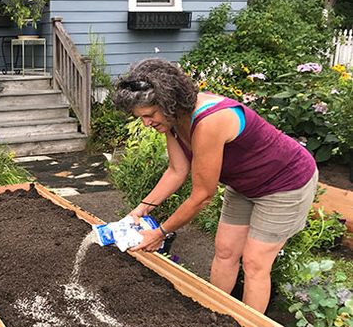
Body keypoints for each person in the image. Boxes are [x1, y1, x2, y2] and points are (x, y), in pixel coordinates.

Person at [113, 58, 318, 313]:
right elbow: (177, 171)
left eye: (149, 115)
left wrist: (160, 232)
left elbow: (202, 196)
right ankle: (215, 315)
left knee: (255, 262)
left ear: (169, 102)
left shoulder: (210, 120)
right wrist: (139, 211)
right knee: (224, 251)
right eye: (140, 117)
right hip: (245, 184)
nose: (146, 123)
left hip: (285, 183)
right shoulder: (172, 121)